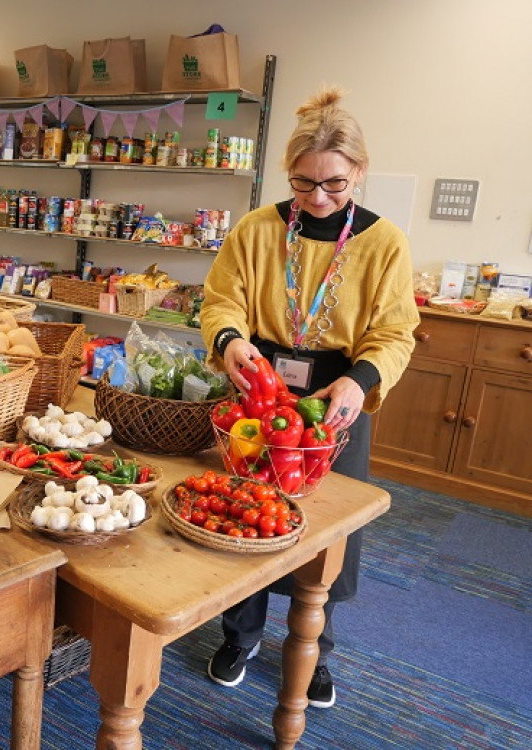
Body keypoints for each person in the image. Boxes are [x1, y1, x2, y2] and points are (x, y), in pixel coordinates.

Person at [199, 87, 419, 709]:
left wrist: (362, 380)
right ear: (287, 173)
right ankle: (240, 635)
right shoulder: (256, 229)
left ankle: (315, 649)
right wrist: (229, 340)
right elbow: (221, 300)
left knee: (325, 529)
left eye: (334, 185)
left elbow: (395, 334)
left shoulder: (385, 243)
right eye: (303, 183)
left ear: (359, 173)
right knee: (247, 510)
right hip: (257, 386)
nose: (317, 197)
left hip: (335, 395)